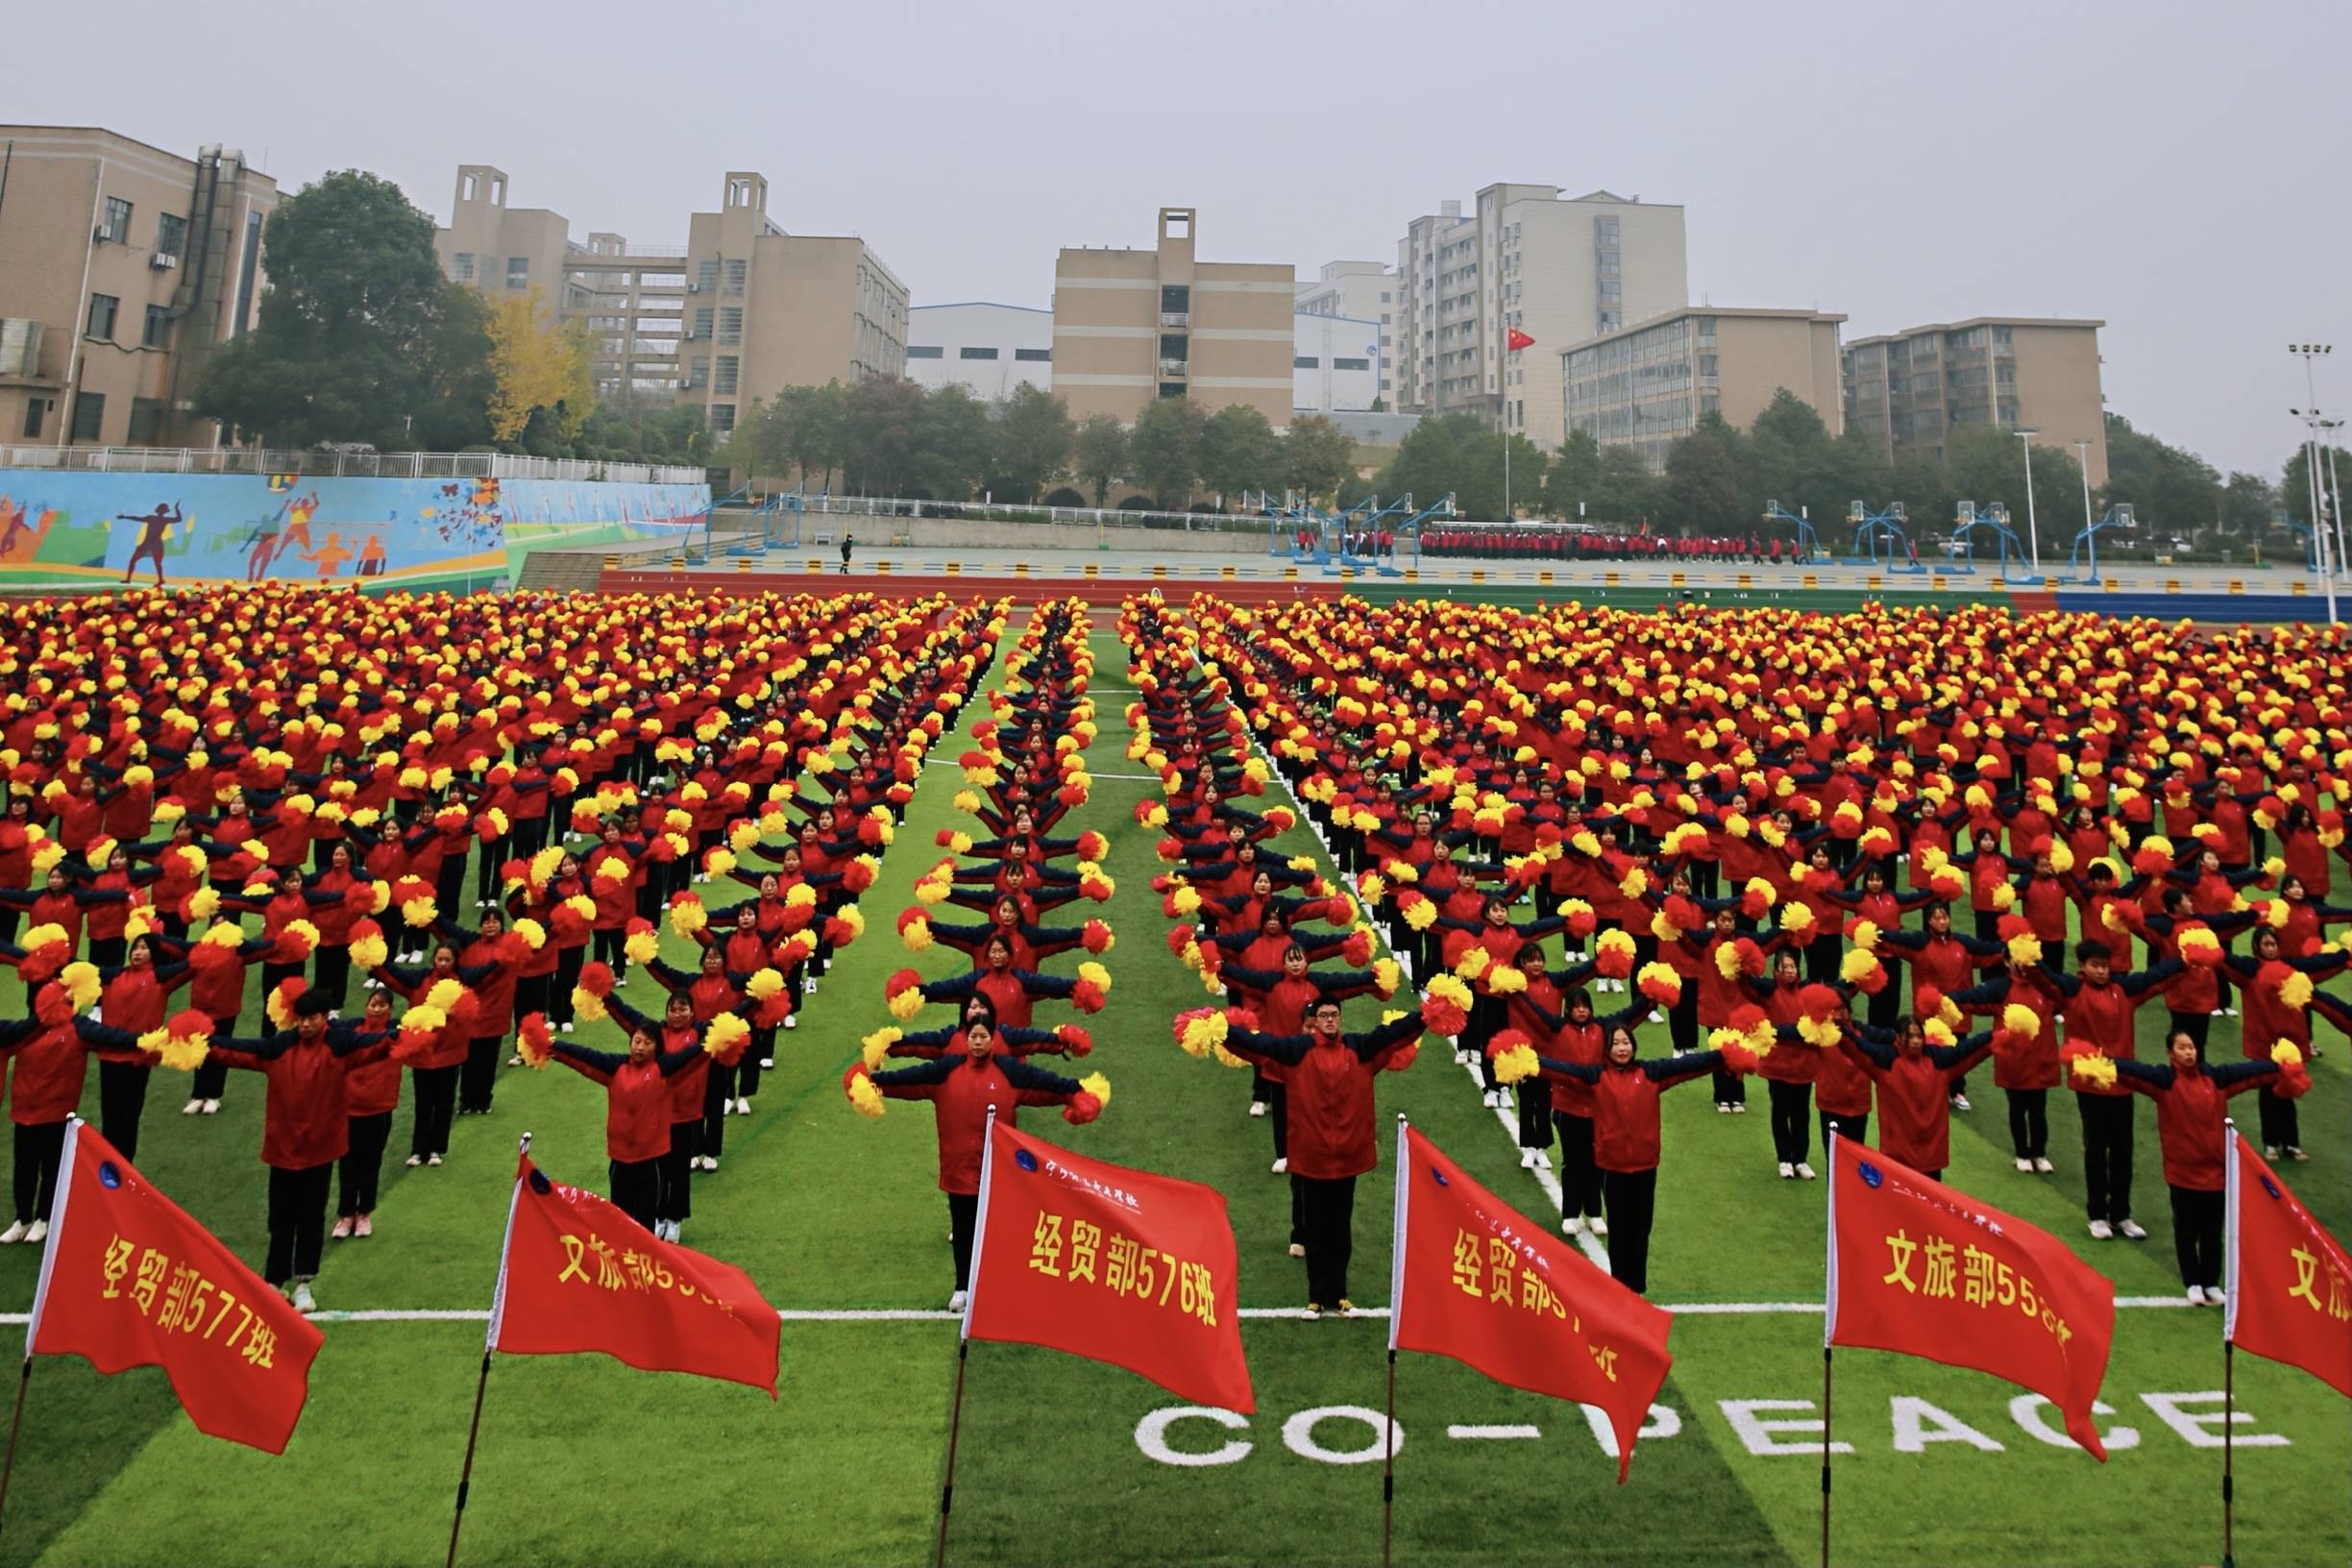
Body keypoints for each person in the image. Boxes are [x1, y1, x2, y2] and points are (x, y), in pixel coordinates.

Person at [845, 1017, 1101, 1311]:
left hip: (997, 1171)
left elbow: (1043, 1084)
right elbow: (912, 1078)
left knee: (998, 1230)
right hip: (959, 1170)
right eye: (973, 1037)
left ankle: (996, 1285)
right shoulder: (948, 1069)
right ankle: (963, 1287)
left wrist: (1076, 1091)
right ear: (966, 1040)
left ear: (992, 1039)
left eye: (983, 1036)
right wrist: (875, 1083)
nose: (978, 1042)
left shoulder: (1008, 1071)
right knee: (963, 1231)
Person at [1221, 997, 1423, 1316]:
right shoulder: (1297, 1050)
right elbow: (1258, 1045)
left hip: (1347, 1159)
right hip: (1311, 1158)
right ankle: (1316, 1297)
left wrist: (1428, 1014)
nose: (1329, 1019)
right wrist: (1220, 1029)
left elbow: (1394, 1033)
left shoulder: (1359, 1047)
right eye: (1323, 1015)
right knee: (1314, 1229)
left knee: (1341, 1228)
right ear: (1314, 1021)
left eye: (1334, 1015)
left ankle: (1339, 1295)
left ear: (1341, 1019)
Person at [201, 988, 398, 1311]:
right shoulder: (279, 1047)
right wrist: (201, 1042)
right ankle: (274, 1281)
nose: (305, 1024)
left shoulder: (340, 1046)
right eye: (301, 1019)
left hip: (319, 1151)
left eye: (312, 1018)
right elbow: (238, 1050)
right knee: (280, 1219)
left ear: (325, 1018)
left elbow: (380, 1046)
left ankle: (304, 1284)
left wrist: (413, 1032)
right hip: (282, 1149)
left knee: (311, 1219)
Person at [2098, 1031, 2299, 1304]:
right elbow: (2131, 1071)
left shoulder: (2216, 1079)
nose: (2188, 1052)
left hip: (2215, 1173)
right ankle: (2192, 1281)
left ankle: (2211, 1282)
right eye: (2182, 1048)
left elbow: (2250, 1073)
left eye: (2191, 1047)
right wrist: (2098, 1060)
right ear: (2171, 1054)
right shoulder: (2164, 1081)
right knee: (2186, 1231)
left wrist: (2280, 1066)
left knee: (2212, 1233)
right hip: (2182, 1174)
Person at [1533, 1025, 1727, 1294]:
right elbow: (1559, 1070)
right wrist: (1526, 1060)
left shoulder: (1651, 1072)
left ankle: (1636, 1290)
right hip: (1612, 1169)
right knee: (1619, 1231)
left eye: (1626, 1042)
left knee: (1640, 1230)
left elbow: (1689, 1066)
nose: (1622, 1048)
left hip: (1646, 1167)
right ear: (1607, 1049)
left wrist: (1724, 1055)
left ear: (1633, 1046)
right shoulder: (1596, 1076)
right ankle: (1619, 1289)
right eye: (1616, 1043)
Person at [543, 1014, 719, 1232]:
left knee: (645, 1223)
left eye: (647, 1042)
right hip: (619, 1160)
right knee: (619, 1220)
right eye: (637, 1041)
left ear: (657, 1047)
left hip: (650, 1160)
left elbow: (696, 1055)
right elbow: (583, 1057)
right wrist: (551, 1046)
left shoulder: (665, 1070)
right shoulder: (615, 1067)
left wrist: (719, 1037)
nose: (640, 1047)